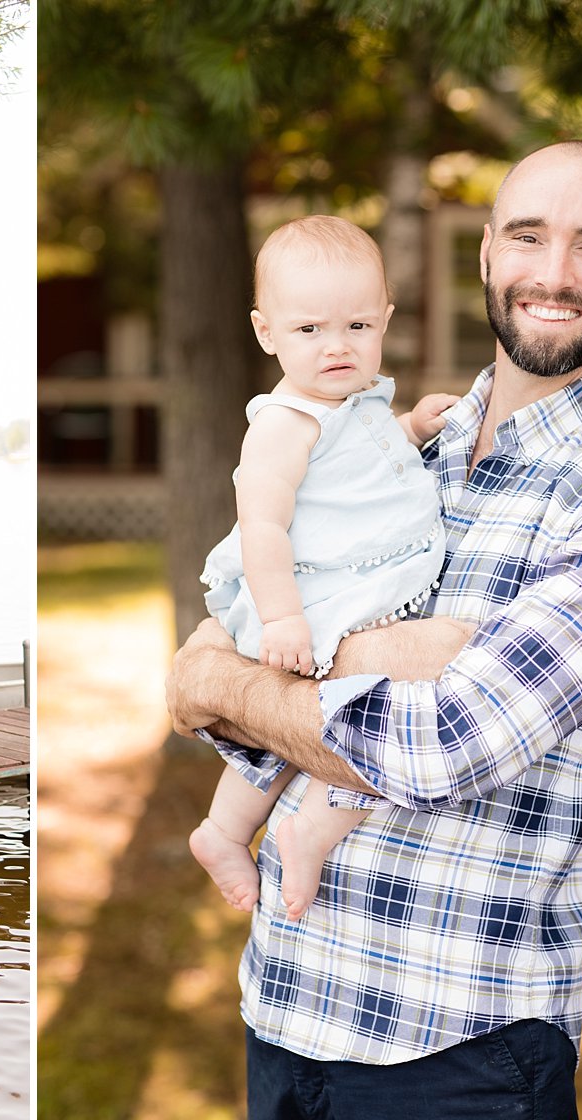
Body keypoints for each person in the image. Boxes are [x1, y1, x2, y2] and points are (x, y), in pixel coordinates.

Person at [166, 140, 582, 1117]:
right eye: (528, 237)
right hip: (285, 1025)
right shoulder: (387, 436)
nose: (552, 273)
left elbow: (441, 746)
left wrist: (230, 685)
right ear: (486, 255)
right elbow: (242, 614)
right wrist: (321, 664)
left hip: (458, 1062)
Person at [190, 215, 459, 920]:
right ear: (266, 333)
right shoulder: (285, 422)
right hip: (315, 593)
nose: (336, 346)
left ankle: (242, 831)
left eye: (357, 327)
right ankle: (268, 830)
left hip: (364, 582)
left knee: (336, 722)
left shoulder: (357, 401)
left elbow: (362, 465)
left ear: (385, 322)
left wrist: (412, 429)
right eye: (309, 330)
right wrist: (283, 616)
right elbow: (262, 519)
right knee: (352, 714)